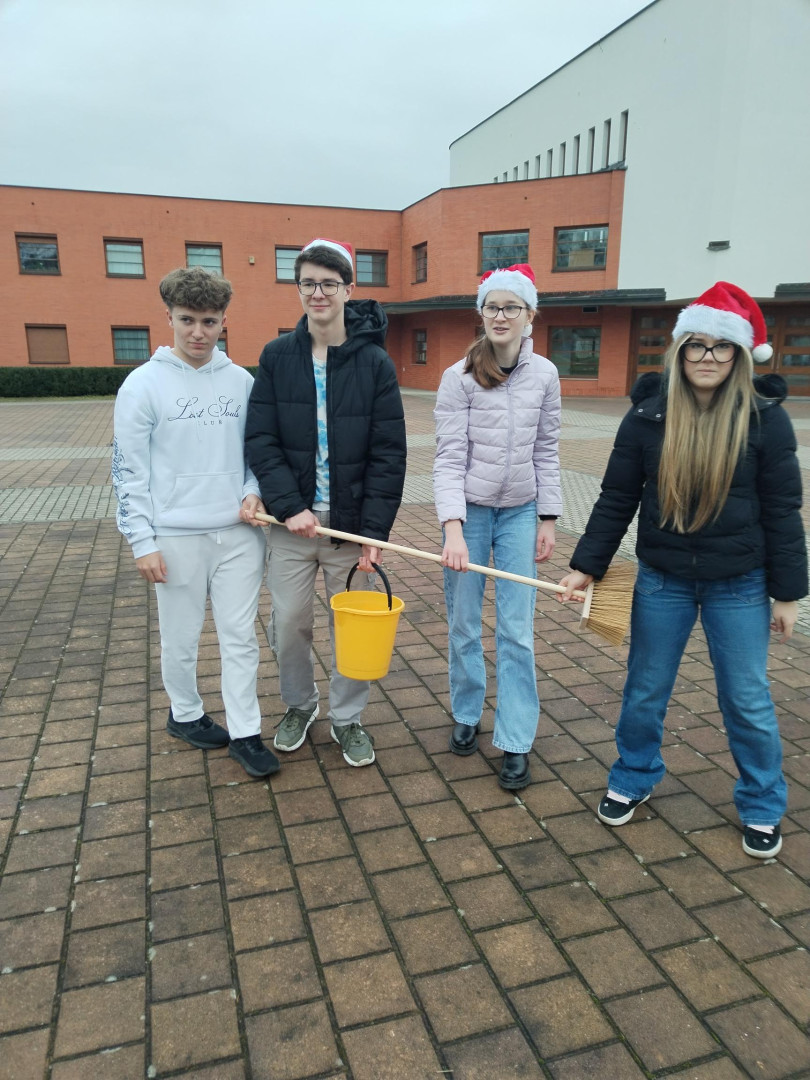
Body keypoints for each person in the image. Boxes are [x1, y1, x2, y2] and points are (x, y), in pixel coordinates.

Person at [559, 281, 808, 858]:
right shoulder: (648, 415)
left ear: (739, 355)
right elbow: (617, 496)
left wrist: (787, 594)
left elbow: (782, 510)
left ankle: (762, 802)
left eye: (721, 347)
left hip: (740, 585)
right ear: (679, 350)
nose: (708, 357)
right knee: (645, 690)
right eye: (696, 345)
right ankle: (634, 774)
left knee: (746, 698)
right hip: (662, 580)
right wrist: (586, 566)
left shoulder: (765, 420)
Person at [245, 238, 406, 767]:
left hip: (351, 527)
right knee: (289, 622)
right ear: (298, 289)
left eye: (329, 283)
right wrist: (289, 506)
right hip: (291, 525)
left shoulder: (375, 363)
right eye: (309, 283)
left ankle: (348, 717)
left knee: (352, 629)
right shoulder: (276, 357)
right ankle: (299, 704)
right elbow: (261, 439)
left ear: (348, 289)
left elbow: (388, 454)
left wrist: (374, 534)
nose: (318, 292)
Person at [112, 266, 277, 778]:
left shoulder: (242, 381)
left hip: (238, 534)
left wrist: (252, 491)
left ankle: (246, 733)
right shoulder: (142, 385)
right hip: (174, 536)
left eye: (209, 321)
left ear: (224, 321)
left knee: (239, 636)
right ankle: (184, 714)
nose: (198, 332)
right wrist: (141, 541)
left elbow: (257, 453)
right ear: (169, 318)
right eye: (187, 320)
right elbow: (128, 471)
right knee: (180, 637)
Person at [433, 263, 562, 790]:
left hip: (520, 513)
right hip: (470, 513)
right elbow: (448, 458)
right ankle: (467, 712)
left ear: (530, 315)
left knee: (516, 630)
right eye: (492, 306)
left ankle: (515, 738)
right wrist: (453, 529)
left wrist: (548, 517)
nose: (501, 315)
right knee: (464, 621)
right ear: (481, 313)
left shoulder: (545, 375)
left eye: (512, 307)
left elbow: (547, 449)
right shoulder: (458, 376)